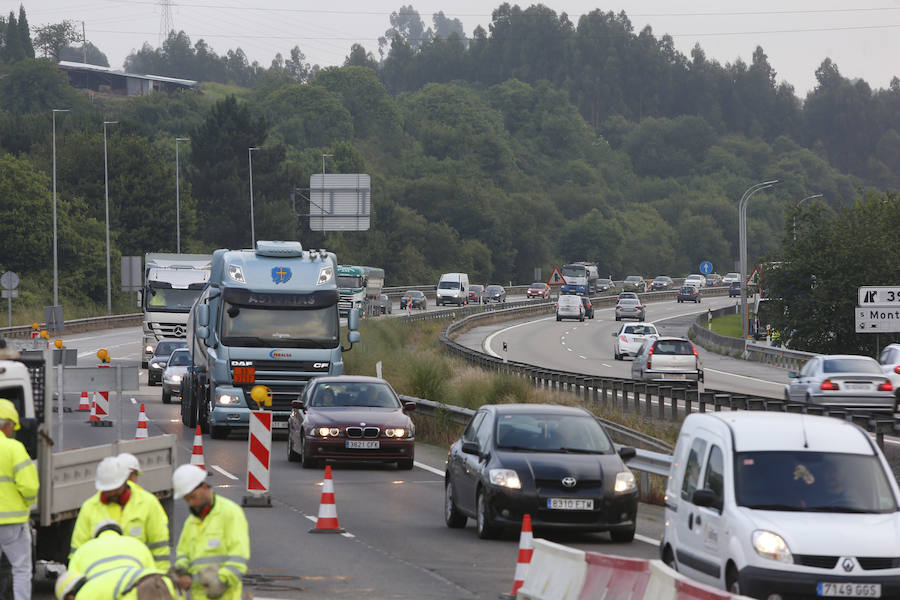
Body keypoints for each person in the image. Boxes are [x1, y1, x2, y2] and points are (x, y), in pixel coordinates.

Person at [69, 456, 171, 570]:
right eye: (107, 490)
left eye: (114, 488)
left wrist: (160, 578)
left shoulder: (148, 504)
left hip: (139, 577)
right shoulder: (89, 508)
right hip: (102, 576)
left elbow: (159, 547)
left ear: (124, 481)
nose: (111, 493)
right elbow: (78, 550)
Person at [171, 464, 249, 600]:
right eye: (187, 499)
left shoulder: (230, 513)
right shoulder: (191, 521)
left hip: (226, 596)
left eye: (192, 497)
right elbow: (183, 553)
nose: (190, 503)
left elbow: (239, 556)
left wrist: (221, 581)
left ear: (204, 487)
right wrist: (182, 571)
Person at [0, 399, 39, 600]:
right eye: (12, 427)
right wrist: (26, 502)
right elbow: (30, 487)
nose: (12, 431)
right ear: (6, 425)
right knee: (21, 569)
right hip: (13, 524)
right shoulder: (14, 448)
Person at [67, 520, 155, 580]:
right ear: (120, 533)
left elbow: (72, 582)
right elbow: (152, 576)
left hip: (96, 591)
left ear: (96, 536)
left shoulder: (82, 550)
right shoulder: (137, 545)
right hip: (130, 588)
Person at [55, 564, 177, 600]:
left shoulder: (83, 596)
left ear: (70, 596)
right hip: (164, 581)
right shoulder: (97, 584)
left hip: (146, 589)